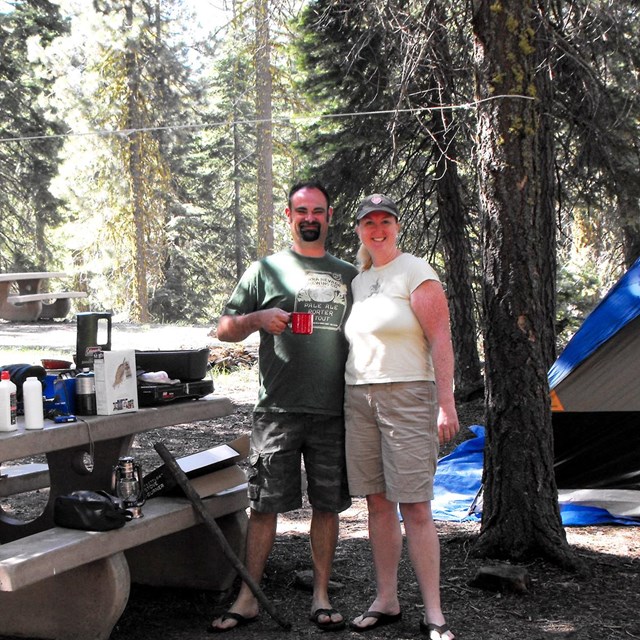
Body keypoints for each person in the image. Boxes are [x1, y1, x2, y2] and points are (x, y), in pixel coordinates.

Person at [209, 180, 358, 633]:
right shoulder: (264, 270)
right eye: (301, 211)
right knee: (265, 505)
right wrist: (255, 319)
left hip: (335, 411)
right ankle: (248, 597)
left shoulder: (351, 275)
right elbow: (223, 329)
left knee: (328, 505)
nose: (309, 217)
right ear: (289, 217)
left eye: (317, 210)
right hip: (276, 410)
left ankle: (321, 594)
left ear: (329, 216)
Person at [343, 194, 459, 639]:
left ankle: (434, 613)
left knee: (414, 503)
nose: (377, 229)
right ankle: (387, 599)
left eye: (385, 221)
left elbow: (441, 339)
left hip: (409, 395)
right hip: (359, 397)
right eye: (368, 221)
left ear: (396, 225)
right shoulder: (360, 280)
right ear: (358, 229)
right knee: (377, 503)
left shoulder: (416, 270)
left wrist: (445, 403)